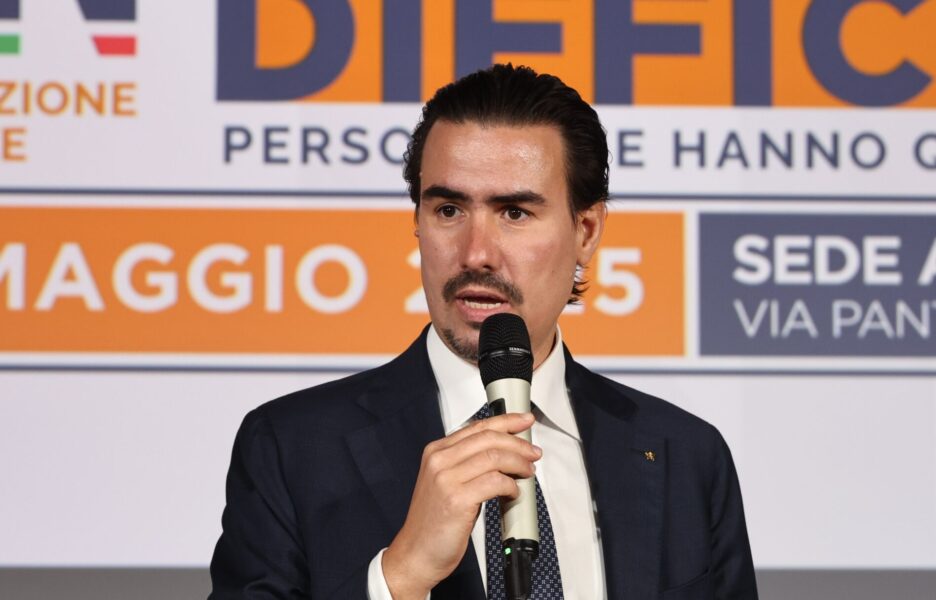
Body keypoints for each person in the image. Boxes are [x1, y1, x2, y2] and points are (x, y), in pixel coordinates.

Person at [209, 64, 757, 599]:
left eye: (514, 213)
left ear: (586, 231)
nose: (475, 254)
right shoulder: (291, 448)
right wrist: (401, 576)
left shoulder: (686, 456)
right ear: (418, 222)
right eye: (449, 209)